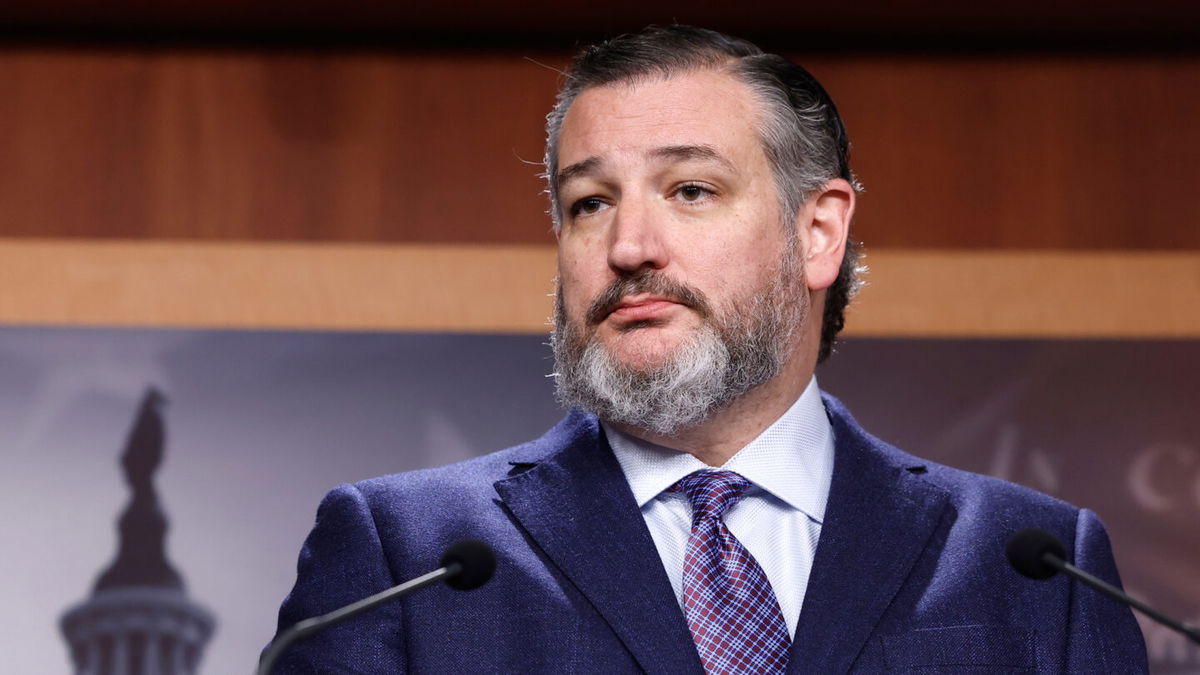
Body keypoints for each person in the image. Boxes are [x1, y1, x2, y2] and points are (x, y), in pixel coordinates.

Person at [271, 25, 1148, 673]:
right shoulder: (410, 557)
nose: (628, 246)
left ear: (817, 232)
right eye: (589, 202)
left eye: (690, 189)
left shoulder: (1034, 564)